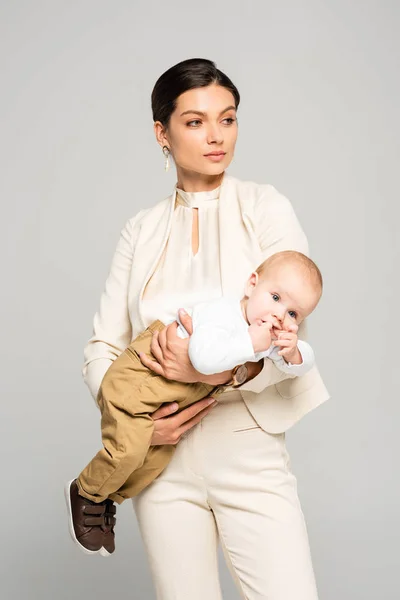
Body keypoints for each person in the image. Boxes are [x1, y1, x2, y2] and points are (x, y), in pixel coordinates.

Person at [81, 58, 330, 599]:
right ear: (161, 133)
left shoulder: (265, 207)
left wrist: (207, 368)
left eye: (228, 118)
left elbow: (290, 332)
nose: (216, 136)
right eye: (195, 122)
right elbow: (102, 345)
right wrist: (137, 424)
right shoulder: (140, 229)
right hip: (163, 457)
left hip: (248, 445)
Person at [66, 249, 322, 557]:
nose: (280, 316)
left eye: (294, 314)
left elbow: (302, 363)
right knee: (129, 448)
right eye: (276, 298)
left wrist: (293, 352)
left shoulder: (265, 334)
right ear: (252, 285)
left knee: (155, 462)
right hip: (143, 376)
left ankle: (107, 497)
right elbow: (202, 357)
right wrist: (250, 344)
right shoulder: (225, 315)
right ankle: (85, 491)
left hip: (169, 394)